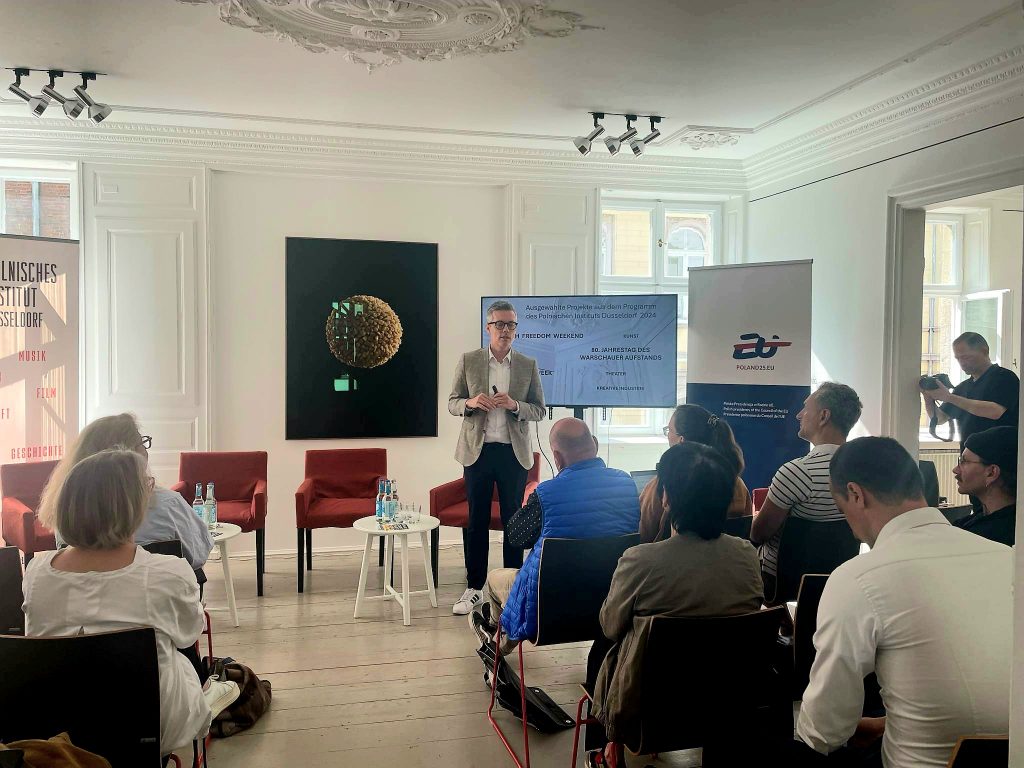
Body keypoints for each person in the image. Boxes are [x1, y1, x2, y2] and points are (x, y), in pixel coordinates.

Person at [796, 437, 1012, 768]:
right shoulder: (1008, 559)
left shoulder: (859, 578)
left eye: (842, 509)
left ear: (856, 494)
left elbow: (824, 730)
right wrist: (892, 722)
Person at [22, 449, 239, 756]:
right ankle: (211, 697)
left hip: (56, 726)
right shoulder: (168, 572)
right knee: (178, 661)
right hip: (149, 726)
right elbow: (189, 634)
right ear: (133, 505)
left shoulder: (36, 573)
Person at [589, 442, 763, 766]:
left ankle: (603, 749)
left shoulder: (639, 560)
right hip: (730, 707)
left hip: (647, 712)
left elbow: (610, 627)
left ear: (666, 497)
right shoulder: (746, 555)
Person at [468, 418, 639, 652]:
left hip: (547, 610)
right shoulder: (627, 484)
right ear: (595, 444)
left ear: (556, 457)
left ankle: (498, 644)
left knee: (495, 578)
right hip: (613, 601)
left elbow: (516, 537)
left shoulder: (546, 494)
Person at [448, 299, 545, 615]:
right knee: (476, 521)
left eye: (511, 325)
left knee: (513, 522)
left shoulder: (528, 365)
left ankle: (512, 587)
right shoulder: (469, 360)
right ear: (488, 327)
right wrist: (471, 402)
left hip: (512, 454)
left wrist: (515, 405)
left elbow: (539, 410)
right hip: (477, 452)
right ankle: (474, 587)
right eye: (500, 324)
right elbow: (452, 402)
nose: (506, 330)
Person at [40, 413, 213, 572]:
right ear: (128, 456)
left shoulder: (67, 507)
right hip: (159, 593)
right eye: (141, 443)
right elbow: (198, 553)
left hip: (81, 594)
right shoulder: (168, 505)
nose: (146, 450)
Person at [751, 382, 861, 596]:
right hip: (839, 583)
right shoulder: (863, 474)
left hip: (782, 584)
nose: (799, 415)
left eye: (805, 408)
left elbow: (758, 534)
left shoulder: (797, 472)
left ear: (824, 416)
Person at [639, 404, 751, 543]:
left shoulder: (664, 484)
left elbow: (645, 535)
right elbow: (746, 529)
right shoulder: (737, 484)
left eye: (669, 430)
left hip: (673, 556)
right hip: (728, 555)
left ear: (681, 441)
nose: (667, 435)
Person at [920, 332, 1019, 447]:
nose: (962, 363)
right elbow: (940, 419)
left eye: (966, 357)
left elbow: (995, 411)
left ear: (984, 351)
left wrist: (949, 397)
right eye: (958, 358)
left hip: (999, 453)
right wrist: (927, 396)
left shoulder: (1005, 377)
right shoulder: (963, 387)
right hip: (968, 454)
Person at [951, 425, 1016, 546]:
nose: (955, 470)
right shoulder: (968, 524)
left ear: (991, 473)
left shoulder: (993, 537)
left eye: (964, 462)